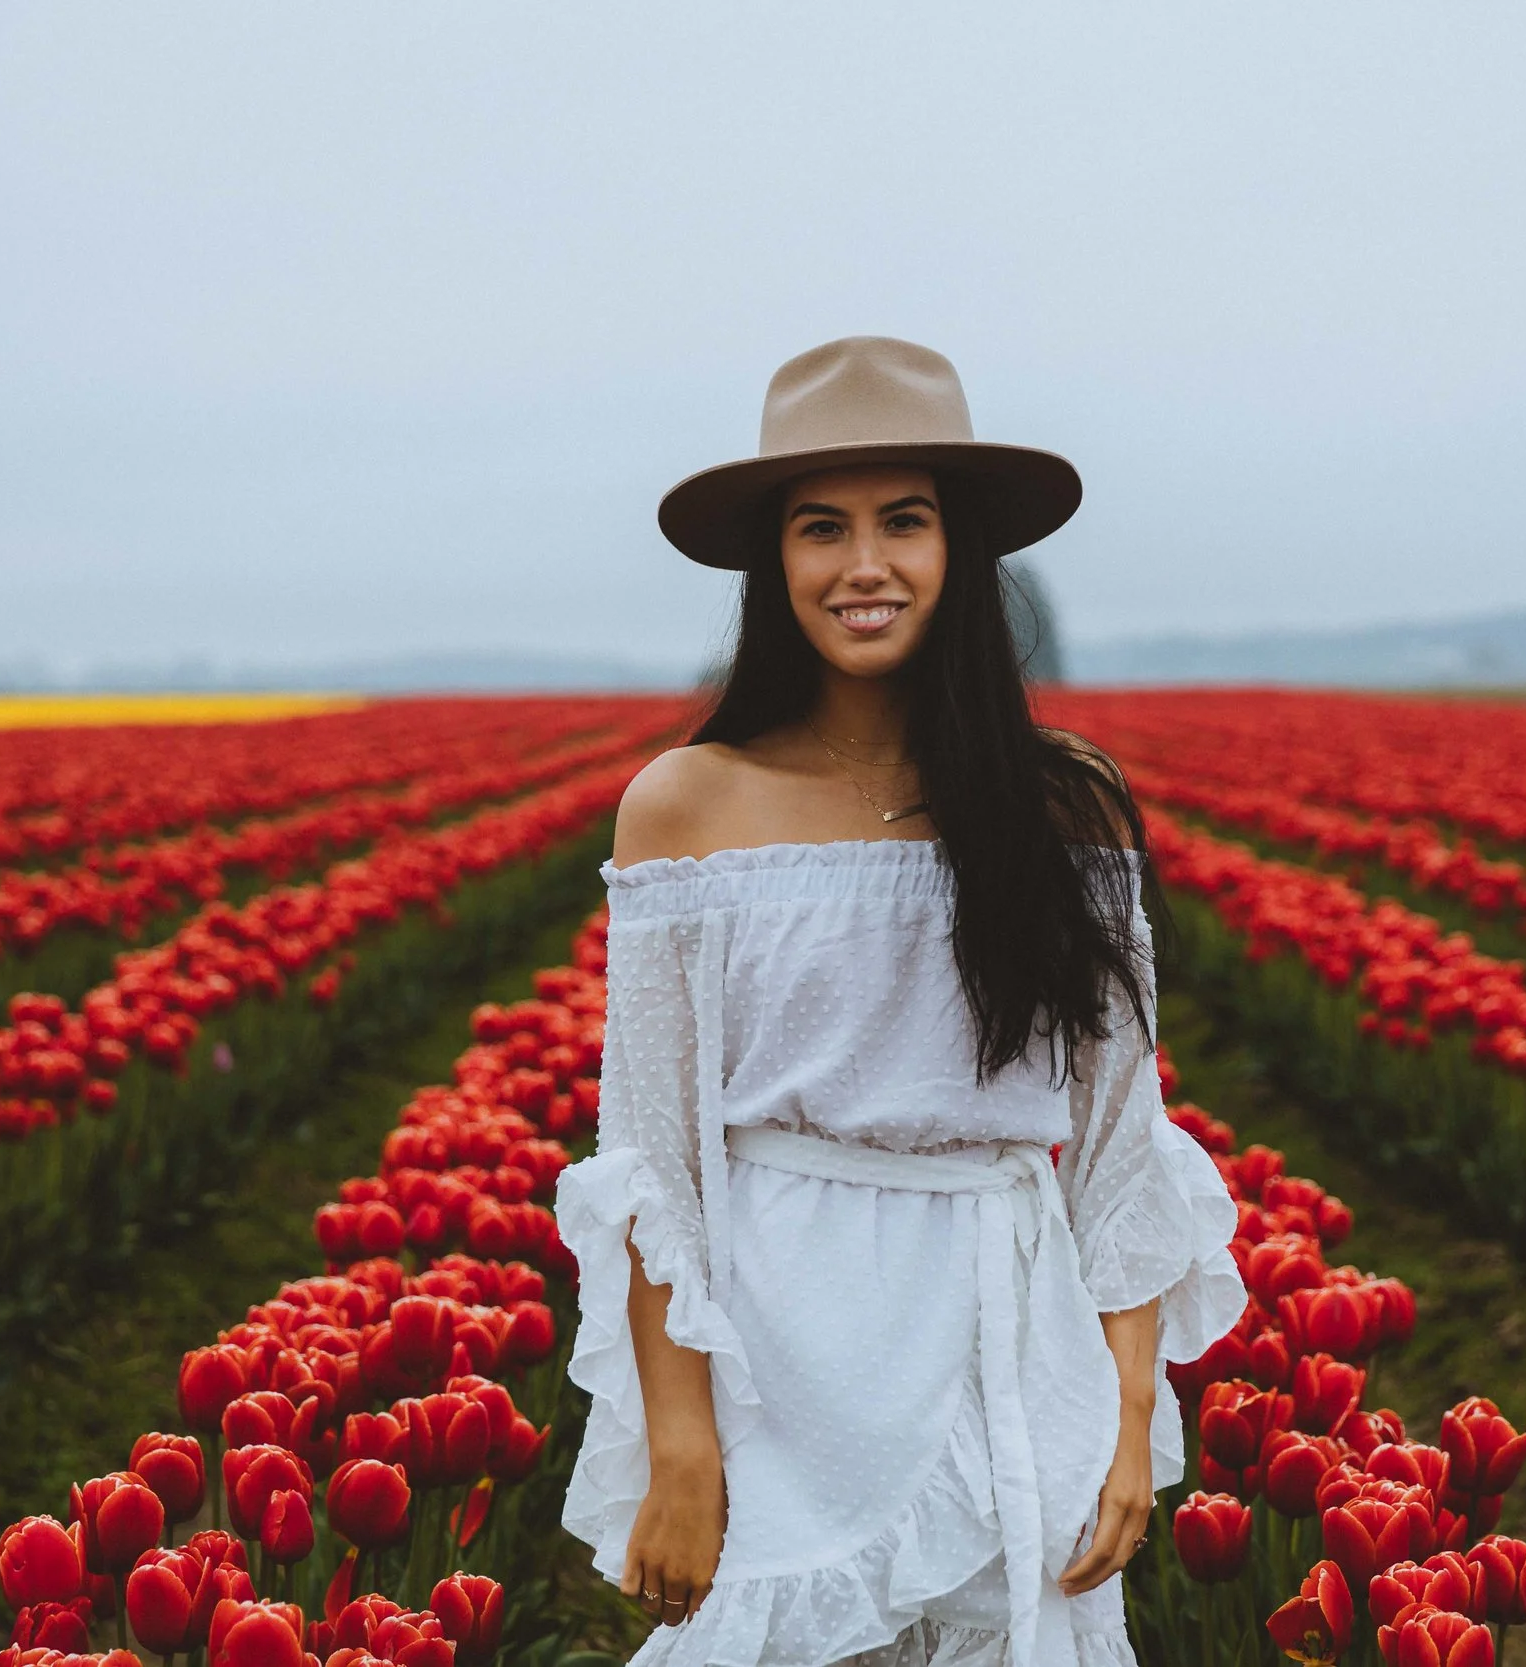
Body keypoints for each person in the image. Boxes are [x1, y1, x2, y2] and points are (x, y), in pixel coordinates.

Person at [555, 337, 1245, 1666]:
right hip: (778, 1344)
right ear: (776, 562)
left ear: (958, 549)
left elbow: (1119, 1137)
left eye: (904, 522)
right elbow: (652, 1158)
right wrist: (682, 1440)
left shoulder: (1061, 804)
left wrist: (1124, 1410)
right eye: (822, 527)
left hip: (1004, 1327)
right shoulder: (686, 803)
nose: (863, 564)